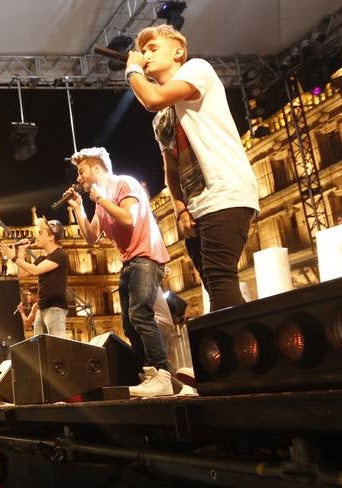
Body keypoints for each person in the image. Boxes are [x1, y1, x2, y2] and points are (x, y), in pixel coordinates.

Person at [124, 24, 259, 311]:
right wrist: (180, 209)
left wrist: (132, 72)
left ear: (178, 52)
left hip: (225, 189)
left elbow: (151, 98)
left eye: (153, 48)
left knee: (220, 278)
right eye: (143, 50)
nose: (145, 54)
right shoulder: (161, 119)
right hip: (196, 204)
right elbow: (170, 170)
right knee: (213, 283)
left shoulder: (198, 69)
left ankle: (231, 350)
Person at [68, 146, 179, 398]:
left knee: (141, 314)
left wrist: (100, 200)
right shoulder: (100, 200)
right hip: (129, 262)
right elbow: (91, 238)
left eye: (81, 170)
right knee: (129, 325)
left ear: (97, 167)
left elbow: (129, 218)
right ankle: (148, 375)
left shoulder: (124, 184)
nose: (78, 177)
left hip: (146, 257)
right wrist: (78, 208)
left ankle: (162, 373)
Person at [0, 218, 69, 337]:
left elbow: (35, 270)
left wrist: (13, 257)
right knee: (40, 349)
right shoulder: (42, 258)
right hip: (41, 309)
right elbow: (22, 274)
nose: (37, 236)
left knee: (57, 348)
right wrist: (21, 251)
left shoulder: (60, 255)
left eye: (40, 233)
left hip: (55, 308)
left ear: (51, 237)